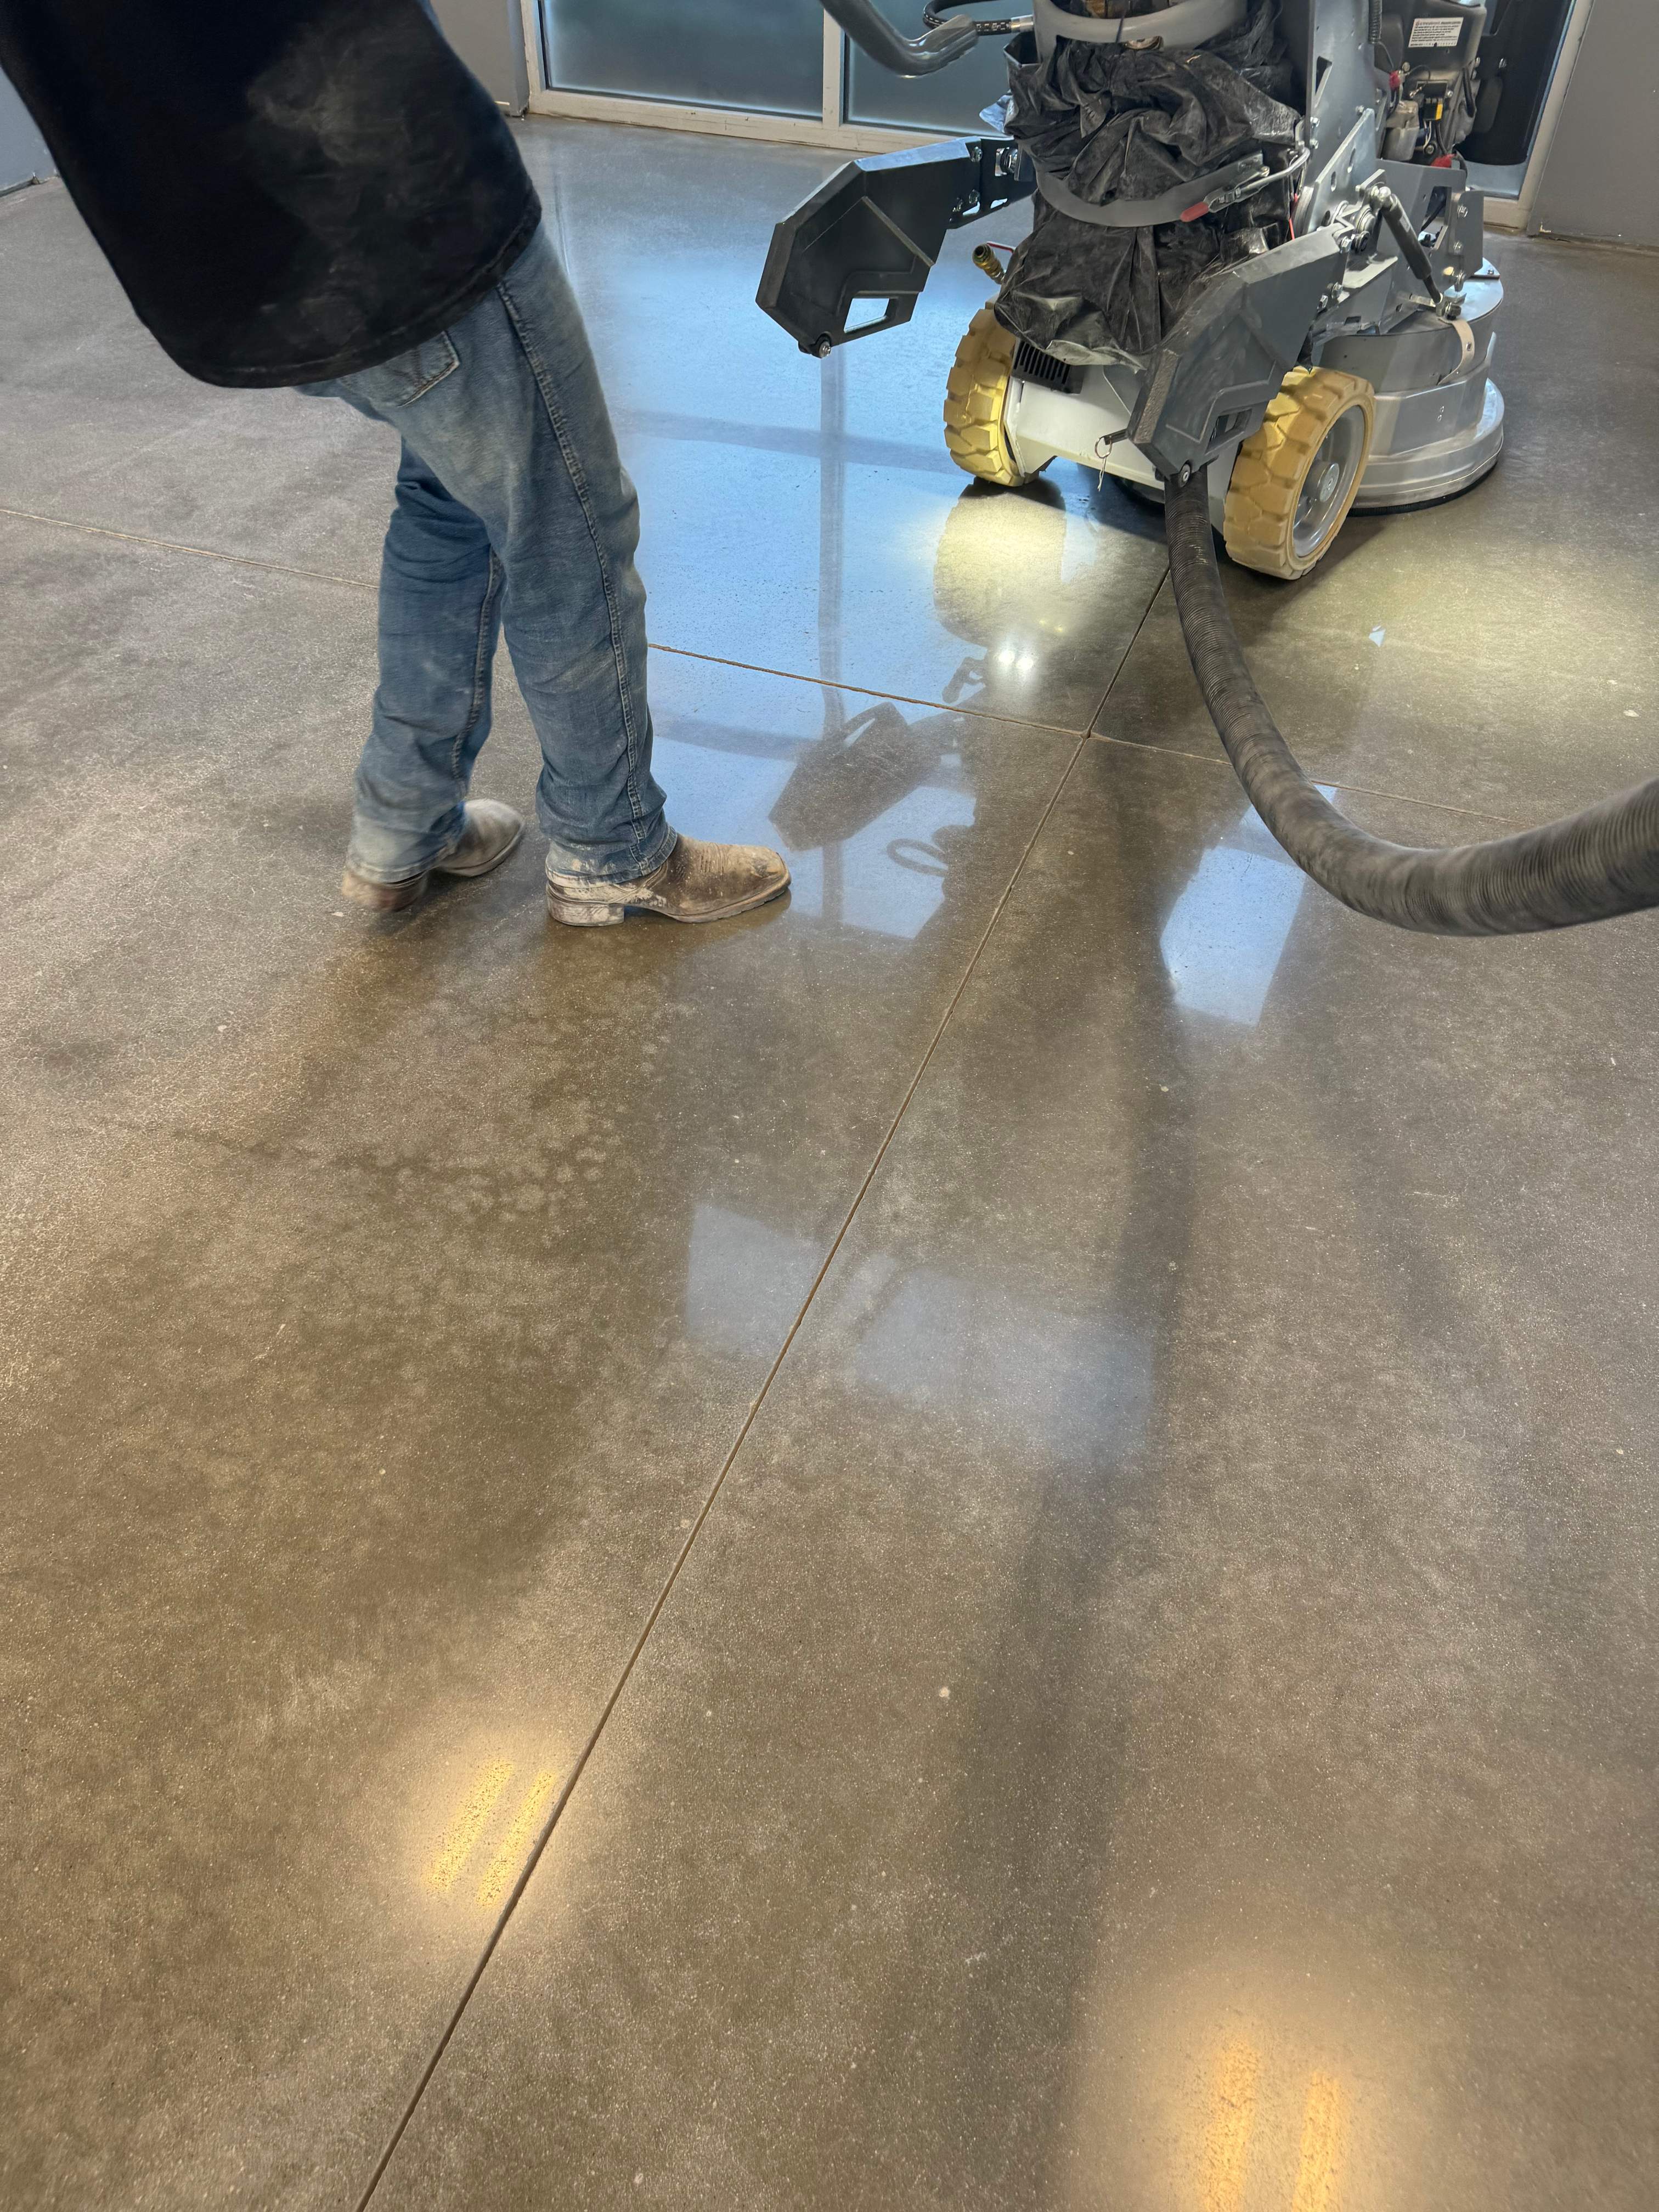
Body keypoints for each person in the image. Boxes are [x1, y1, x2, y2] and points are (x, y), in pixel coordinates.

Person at [0, 0, 791, 927]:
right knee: (568, 529)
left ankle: (404, 827)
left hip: (218, 252)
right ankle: (613, 849)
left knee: (452, 498)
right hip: (387, 205)